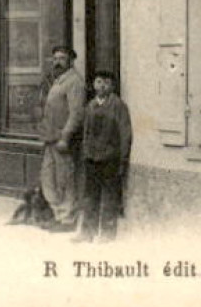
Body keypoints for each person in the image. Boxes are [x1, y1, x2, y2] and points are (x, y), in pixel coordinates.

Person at [76, 70, 132, 243]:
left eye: (106, 83)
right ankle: (87, 232)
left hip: (110, 159)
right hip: (92, 158)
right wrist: (85, 152)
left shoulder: (118, 106)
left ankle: (107, 234)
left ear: (112, 86)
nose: (102, 86)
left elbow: (125, 134)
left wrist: (122, 159)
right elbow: (85, 132)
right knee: (89, 196)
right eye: (98, 82)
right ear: (93, 85)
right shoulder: (90, 106)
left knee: (109, 197)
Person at [39, 44, 86, 231]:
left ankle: (68, 219)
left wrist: (65, 137)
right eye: (55, 58)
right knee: (49, 177)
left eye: (62, 58)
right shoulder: (58, 81)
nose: (58, 62)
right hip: (51, 138)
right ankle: (58, 215)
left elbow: (76, 113)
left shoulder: (74, 82)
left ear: (71, 61)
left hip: (63, 140)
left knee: (65, 178)